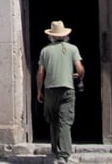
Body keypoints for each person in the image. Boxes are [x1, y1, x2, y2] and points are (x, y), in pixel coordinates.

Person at [36, 20, 84, 164]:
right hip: (67, 89)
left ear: (51, 36)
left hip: (50, 90)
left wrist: (39, 91)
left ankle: (55, 151)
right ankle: (64, 155)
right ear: (65, 35)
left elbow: (40, 72)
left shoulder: (45, 50)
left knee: (53, 121)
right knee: (65, 122)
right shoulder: (72, 49)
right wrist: (79, 76)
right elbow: (80, 69)